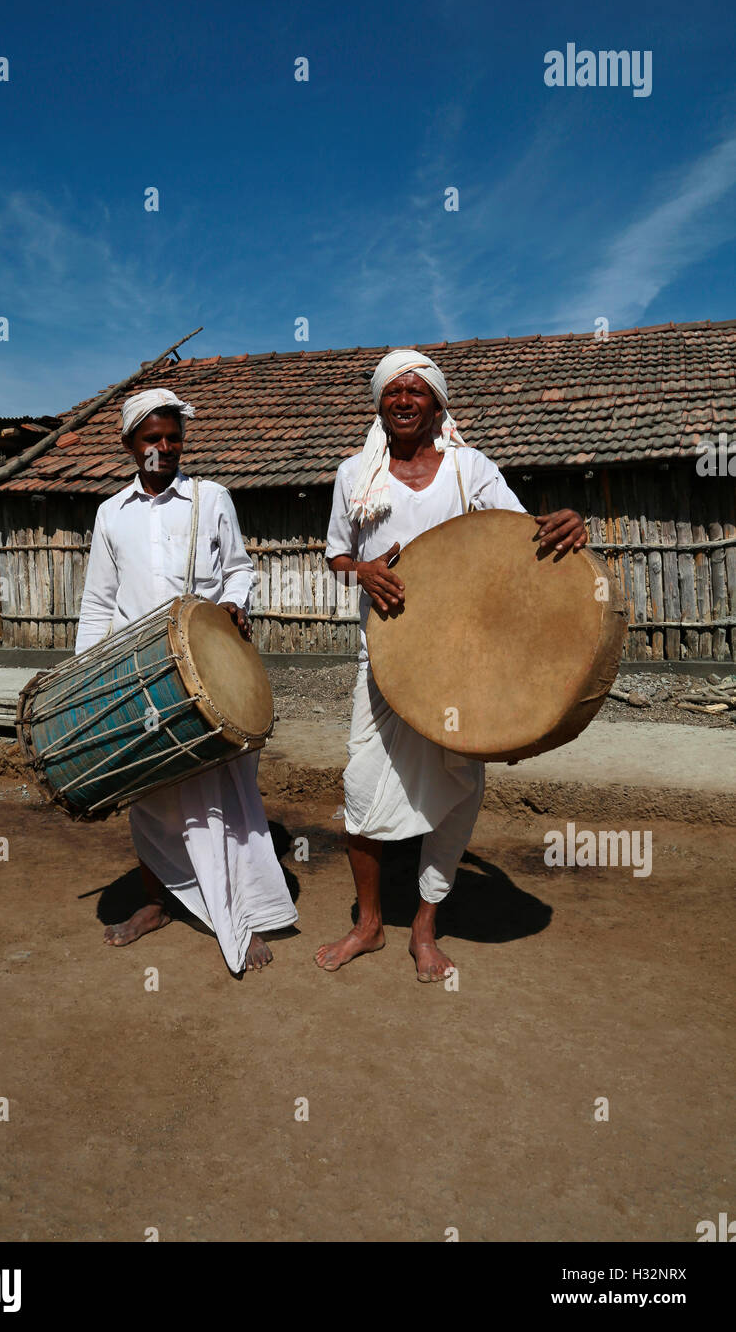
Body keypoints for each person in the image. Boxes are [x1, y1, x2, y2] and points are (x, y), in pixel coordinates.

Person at [314, 350, 587, 982]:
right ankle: (369, 924)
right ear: (378, 403)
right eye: (392, 392)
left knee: (456, 791)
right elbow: (335, 557)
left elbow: (522, 535)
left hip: (464, 666)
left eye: (417, 391)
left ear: (438, 405)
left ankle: (425, 930)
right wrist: (362, 569)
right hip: (385, 658)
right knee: (360, 789)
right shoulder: (354, 474)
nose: (404, 400)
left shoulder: (471, 469)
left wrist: (568, 523)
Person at [75, 387, 298, 974]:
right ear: (129, 444)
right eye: (153, 438)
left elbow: (240, 569)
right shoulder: (110, 514)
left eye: (174, 437)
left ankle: (239, 917)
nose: (165, 447)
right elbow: (99, 601)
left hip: (207, 672)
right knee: (148, 798)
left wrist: (234, 604)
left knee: (222, 800)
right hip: (136, 674)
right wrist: (84, 680)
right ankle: (157, 903)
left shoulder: (210, 498)